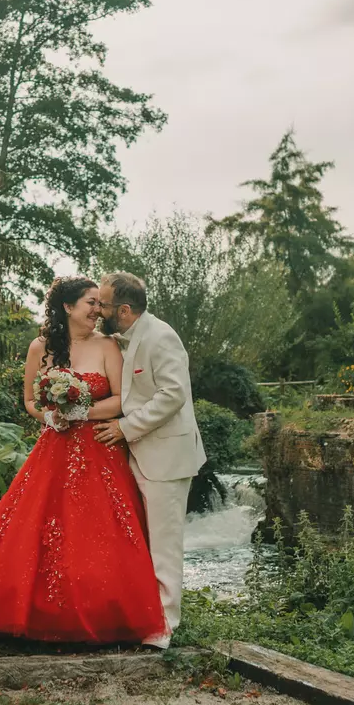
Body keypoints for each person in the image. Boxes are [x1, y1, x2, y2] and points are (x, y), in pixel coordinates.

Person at [0, 277, 166, 644]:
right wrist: (50, 417)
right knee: (37, 529)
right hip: (54, 448)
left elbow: (123, 401)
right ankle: (30, 609)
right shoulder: (40, 347)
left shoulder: (109, 345)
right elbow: (30, 401)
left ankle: (105, 612)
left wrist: (80, 411)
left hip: (98, 447)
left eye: (100, 304)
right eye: (91, 303)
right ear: (67, 307)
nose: (98, 311)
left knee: (100, 531)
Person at [93, 270, 205, 649]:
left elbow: (173, 395)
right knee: (140, 540)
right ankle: (143, 613)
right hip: (138, 455)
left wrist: (126, 427)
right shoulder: (119, 338)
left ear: (123, 310)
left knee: (165, 542)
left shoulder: (161, 337)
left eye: (103, 304)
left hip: (167, 456)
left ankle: (164, 626)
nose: (97, 309)